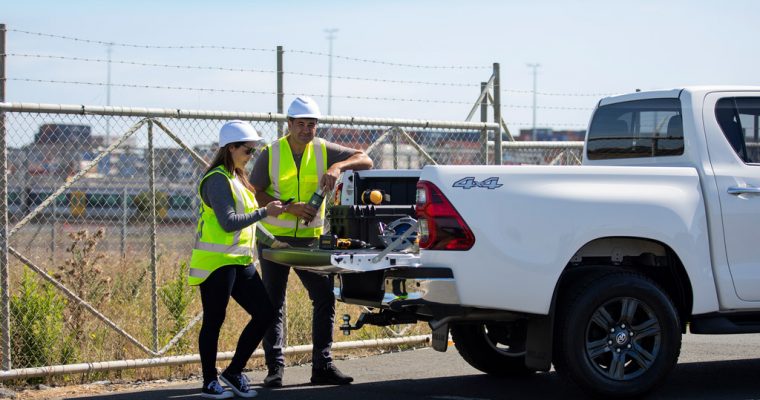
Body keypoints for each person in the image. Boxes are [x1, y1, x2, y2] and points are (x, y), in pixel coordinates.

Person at [249, 96, 373, 387]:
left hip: (310, 241)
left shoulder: (323, 149)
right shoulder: (271, 152)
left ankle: (322, 366)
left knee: (324, 297)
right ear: (289, 124)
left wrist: (338, 167)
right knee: (273, 303)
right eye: (301, 124)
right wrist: (288, 207)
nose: (306, 129)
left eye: (312, 124)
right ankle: (275, 369)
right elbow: (254, 192)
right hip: (274, 241)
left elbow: (365, 159)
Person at [189, 120, 285, 399]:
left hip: (240, 261)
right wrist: (265, 212)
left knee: (266, 313)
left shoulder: (238, 177)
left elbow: (249, 224)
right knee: (214, 320)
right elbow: (229, 222)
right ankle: (209, 381)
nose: (251, 155)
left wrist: (273, 240)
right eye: (248, 150)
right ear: (231, 148)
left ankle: (233, 372)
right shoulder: (217, 179)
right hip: (217, 263)